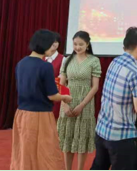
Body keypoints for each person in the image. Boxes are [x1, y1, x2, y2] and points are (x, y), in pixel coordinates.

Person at [91, 27, 137, 170]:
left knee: (99, 167)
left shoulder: (115, 62)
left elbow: (126, 83)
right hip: (121, 136)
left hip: (103, 130)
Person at [11, 29, 72, 170]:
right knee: (46, 153)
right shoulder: (46, 66)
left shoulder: (21, 63)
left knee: (24, 153)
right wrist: (65, 97)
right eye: (51, 44)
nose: (53, 48)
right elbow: (52, 95)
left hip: (21, 114)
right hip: (40, 115)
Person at [58, 31, 101, 171]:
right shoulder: (67, 60)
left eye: (81, 44)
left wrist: (82, 105)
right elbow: (62, 85)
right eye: (75, 44)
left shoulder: (94, 60)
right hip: (67, 101)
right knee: (67, 139)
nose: (77, 47)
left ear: (87, 44)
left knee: (82, 139)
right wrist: (64, 104)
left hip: (85, 103)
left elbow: (95, 87)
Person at [44, 33, 64, 121]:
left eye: (56, 41)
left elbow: (62, 80)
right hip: (40, 95)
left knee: (53, 121)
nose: (53, 43)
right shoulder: (41, 58)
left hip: (55, 95)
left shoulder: (63, 59)